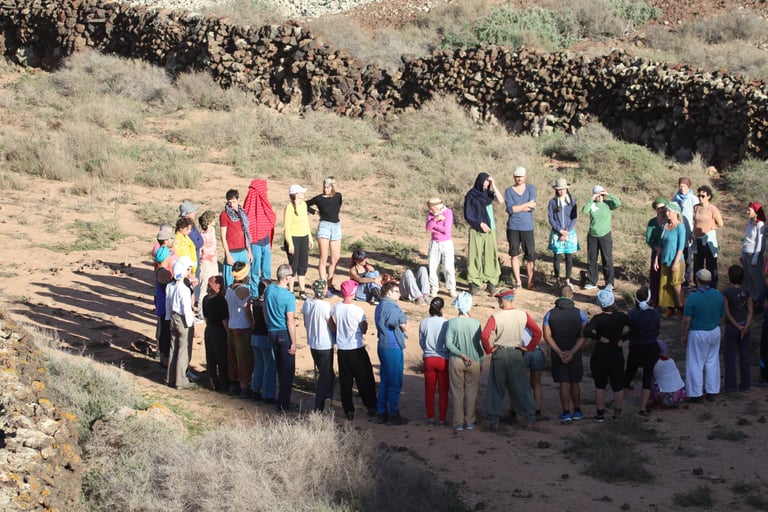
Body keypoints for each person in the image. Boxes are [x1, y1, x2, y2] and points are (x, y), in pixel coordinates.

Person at [482, 287, 542, 430]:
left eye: (499, 299)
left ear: (503, 300)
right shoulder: (523, 314)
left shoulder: (496, 316)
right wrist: (529, 347)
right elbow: (537, 332)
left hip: (500, 354)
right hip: (516, 353)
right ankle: (530, 418)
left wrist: (489, 350)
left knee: (496, 387)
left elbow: (484, 336)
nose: (498, 301)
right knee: (521, 386)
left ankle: (494, 420)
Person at [329, 280, 377, 420]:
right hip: (356, 348)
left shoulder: (336, 307)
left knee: (346, 381)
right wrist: (363, 329)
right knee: (364, 379)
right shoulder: (357, 310)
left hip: (342, 349)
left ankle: (348, 409)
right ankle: (371, 406)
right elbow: (364, 328)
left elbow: (330, 321)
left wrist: (336, 330)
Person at [542, 285, 588, 423]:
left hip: (558, 354)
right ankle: (577, 411)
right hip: (575, 353)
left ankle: (566, 412)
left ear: (558, 295)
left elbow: (547, 336)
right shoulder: (580, 314)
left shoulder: (550, 314)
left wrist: (559, 352)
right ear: (571, 296)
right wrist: (572, 352)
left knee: (563, 382)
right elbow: (583, 336)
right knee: (574, 382)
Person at [584, 289, 629, 422]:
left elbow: (586, 331)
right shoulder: (621, 316)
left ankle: (600, 414)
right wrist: (623, 338)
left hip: (600, 354)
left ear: (600, 304)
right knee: (618, 386)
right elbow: (635, 327)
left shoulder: (598, 319)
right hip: (616, 354)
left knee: (600, 386)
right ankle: (618, 414)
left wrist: (598, 338)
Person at [681, 268, 725, 402]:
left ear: (697, 280)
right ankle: (712, 391)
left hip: (698, 332)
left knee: (695, 362)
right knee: (712, 361)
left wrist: (683, 334)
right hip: (714, 330)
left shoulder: (693, 298)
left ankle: (696, 393)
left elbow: (686, 320)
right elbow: (722, 316)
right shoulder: (718, 295)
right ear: (710, 280)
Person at [444, 292, 483, 432]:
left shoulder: (452, 323)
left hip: (456, 360)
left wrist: (461, 354)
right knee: (471, 392)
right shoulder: (476, 323)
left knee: (457, 392)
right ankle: (470, 421)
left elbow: (448, 343)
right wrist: (481, 360)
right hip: (474, 360)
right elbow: (479, 344)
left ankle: (458, 422)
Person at [264, 264, 299, 412]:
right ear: (286, 277)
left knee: (279, 368)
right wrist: (294, 343)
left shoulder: (269, 290)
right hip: (283, 333)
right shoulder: (288, 296)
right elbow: (290, 320)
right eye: (291, 275)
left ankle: (281, 400)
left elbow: (265, 310)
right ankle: (283, 404)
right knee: (287, 372)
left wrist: (269, 326)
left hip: (272, 331)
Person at [374, 281, 409, 425]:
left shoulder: (380, 305)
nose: (399, 294)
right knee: (395, 382)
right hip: (392, 346)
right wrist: (404, 322)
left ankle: (381, 412)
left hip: (383, 345)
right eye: (396, 291)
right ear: (389, 292)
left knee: (385, 381)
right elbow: (400, 323)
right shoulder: (391, 306)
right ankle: (393, 414)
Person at [464, 172, 504, 296]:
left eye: (488, 183)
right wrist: (480, 223)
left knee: (491, 255)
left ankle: (491, 282)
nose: (486, 185)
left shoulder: (489, 195)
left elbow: (501, 201)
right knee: (474, 256)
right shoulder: (471, 195)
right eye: (485, 182)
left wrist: (494, 185)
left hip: (490, 229)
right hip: (476, 229)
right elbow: (468, 214)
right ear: (479, 181)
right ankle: (474, 283)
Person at [623, 286, 660, 416]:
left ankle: (618, 404)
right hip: (651, 346)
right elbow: (657, 330)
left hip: (636, 347)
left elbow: (630, 331)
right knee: (647, 377)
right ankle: (643, 408)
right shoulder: (655, 313)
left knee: (629, 375)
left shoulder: (632, 314)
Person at [302, 279, 335, 412]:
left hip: (313, 343)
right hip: (325, 344)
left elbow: (305, 323)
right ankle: (320, 405)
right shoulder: (325, 305)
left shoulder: (307, 303)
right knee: (325, 376)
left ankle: (327, 399)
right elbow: (332, 325)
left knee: (326, 373)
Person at [307, 177, 343, 296]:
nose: (325, 189)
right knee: (323, 258)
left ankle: (330, 284)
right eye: (324, 186)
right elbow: (306, 204)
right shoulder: (319, 198)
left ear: (332, 187)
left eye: (328, 187)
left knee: (335, 258)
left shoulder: (338, 196)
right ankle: (323, 286)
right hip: (324, 226)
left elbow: (337, 207)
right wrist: (315, 212)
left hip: (336, 226)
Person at [582, 185, 621, 290]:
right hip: (592, 235)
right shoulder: (592, 204)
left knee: (607, 259)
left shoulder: (608, 204)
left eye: (601, 194)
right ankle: (591, 281)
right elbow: (584, 211)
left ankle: (609, 283)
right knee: (592, 259)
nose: (599, 196)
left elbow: (618, 203)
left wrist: (608, 194)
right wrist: (592, 199)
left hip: (605, 235)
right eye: (597, 194)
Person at [242, 178, 277, 299]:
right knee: (255, 269)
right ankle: (255, 293)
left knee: (266, 269)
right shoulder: (250, 204)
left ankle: (266, 290)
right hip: (255, 242)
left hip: (264, 241)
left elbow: (271, 218)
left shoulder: (264, 205)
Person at [505, 166, 537, 289]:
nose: (519, 179)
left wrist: (517, 207)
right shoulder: (509, 190)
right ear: (514, 177)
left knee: (530, 256)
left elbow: (532, 207)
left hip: (527, 226)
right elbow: (510, 209)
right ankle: (518, 282)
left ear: (525, 177)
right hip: (513, 226)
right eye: (517, 177)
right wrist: (525, 205)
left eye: (521, 176)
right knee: (514, 254)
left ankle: (530, 282)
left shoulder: (530, 188)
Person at [165, 256, 195, 390]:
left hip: (172, 317)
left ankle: (170, 378)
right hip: (183, 320)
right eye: (188, 268)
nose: (190, 271)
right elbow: (186, 308)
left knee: (173, 348)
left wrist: (168, 318)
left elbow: (168, 304)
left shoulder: (169, 286)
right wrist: (190, 323)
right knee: (183, 351)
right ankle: (181, 381)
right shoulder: (184, 289)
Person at [225, 261, 254, 397]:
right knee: (244, 358)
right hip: (243, 327)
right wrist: (253, 325)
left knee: (232, 356)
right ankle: (244, 386)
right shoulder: (243, 290)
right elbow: (247, 311)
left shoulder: (229, 289)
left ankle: (234, 383)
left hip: (232, 326)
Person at [722, 265, 753, 393]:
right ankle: (745, 385)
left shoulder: (726, 292)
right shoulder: (747, 291)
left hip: (732, 327)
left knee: (730, 357)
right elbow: (750, 310)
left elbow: (727, 313)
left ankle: (731, 386)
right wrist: (745, 326)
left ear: (730, 277)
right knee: (745, 356)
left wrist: (737, 326)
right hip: (744, 327)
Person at [419, 297, 449, 427]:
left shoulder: (424, 322)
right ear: (442, 308)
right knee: (443, 391)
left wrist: (427, 350)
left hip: (429, 358)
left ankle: (430, 418)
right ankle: (442, 419)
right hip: (443, 359)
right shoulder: (446, 323)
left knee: (429, 390)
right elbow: (448, 342)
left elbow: (421, 341)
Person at [655, 202, 687, 319]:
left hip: (676, 261)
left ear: (675, 213)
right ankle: (670, 308)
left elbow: (680, 247)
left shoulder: (680, 227)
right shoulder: (665, 226)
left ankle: (680, 309)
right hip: (665, 260)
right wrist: (656, 259)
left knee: (676, 285)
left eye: (669, 211)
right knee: (666, 285)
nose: (666, 213)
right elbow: (660, 244)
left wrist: (675, 262)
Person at [547, 178, 579, 290]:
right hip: (557, 233)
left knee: (568, 257)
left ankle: (567, 280)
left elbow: (574, 218)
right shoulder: (552, 202)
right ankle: (557, 279)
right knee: (557, 257)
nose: (561, 191)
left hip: (569, 232)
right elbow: (551, 218)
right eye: (559, 189)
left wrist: (567, 232)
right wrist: (560, 231)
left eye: (563, 189)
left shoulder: (572, 202)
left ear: (566, 189)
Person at [283, 184, 313, 299]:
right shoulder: (289, 207)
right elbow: (287, 227)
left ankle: (302, 291)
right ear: (296, 195)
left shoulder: (304, 205)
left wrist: (310, 238)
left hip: (303, 237)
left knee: (303, 265)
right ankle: (291, 291)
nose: (303, 194)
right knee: (293, 266)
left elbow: (306, 223)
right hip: (293, 238)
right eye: (301, 192)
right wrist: (290, 243)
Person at [153, 224, 176, 369]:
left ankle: (162, 358)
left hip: (161, 303)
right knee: (167, 333)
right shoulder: (165, 273)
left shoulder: (159, 270)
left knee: (163, 332)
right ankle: (166, 360)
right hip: (166, 305)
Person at [692, 185, 724, 289]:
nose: (700, 198)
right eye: (699, 195)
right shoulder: (696, 207)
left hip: (708, 239)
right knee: (698, 264)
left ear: (709, 196)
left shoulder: (712, 209)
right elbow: (694, 221)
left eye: (703, 196)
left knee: (711, 264)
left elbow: (720, 223)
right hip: (697, 239)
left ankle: (713, 286)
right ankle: (698, 285)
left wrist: (711, 228)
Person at [250, 280, 276, 404]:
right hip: (265, 337)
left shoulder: (255, 303)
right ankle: (268, 394)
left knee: (259, 365)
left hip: (255, 335)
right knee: (269, 367)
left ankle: (255, 390)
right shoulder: (266, 304)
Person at [220, 189, 252, 287]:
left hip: (243, 251)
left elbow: (246, 233)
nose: (231, 205)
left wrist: (249, 251)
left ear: (238, 200)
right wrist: (228, 254)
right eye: (229, 202)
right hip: (232, 252)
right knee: (230, 281)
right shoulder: (224, 215)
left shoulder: (242, 213)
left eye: (233, 202)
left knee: (245, 279)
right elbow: (223, 236)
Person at [425, 197, 457, 298]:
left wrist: (434, 225)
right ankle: (434, 288)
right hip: (434, 242)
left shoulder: (448, 212)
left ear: (437, 207)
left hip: (446, 242)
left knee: (448, 267)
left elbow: (446, 230)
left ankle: (451, 288)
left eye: (432, 208)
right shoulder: (431, 215)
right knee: (433, 266)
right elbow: (428, 228)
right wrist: (436, 219)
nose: (431, 210)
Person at [202, 275, 229, 392]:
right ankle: (224, 384)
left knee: (211, 358)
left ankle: (212, 383)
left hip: (209, 330)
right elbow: (224, 320)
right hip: (219, 331)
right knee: (222, 359)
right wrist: (229, 333)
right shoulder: (220, 300)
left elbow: (206, 317)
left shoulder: (205, 299)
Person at [672, 177, 698, 287]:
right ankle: (678, 278)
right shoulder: (675, 198)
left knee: (687, 257)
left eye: (684, 186)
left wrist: (693, 233)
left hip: (688, 231)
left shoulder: (693, 199)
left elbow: (696, 217)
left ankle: (687, 281)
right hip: (677, 230)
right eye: (680, 186)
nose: (682, 188)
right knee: (678, 254)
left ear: (688, 186)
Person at [179, 200, 204, 310]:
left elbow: (199, 240)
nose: (195, 213)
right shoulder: (187, 227)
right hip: (191, 258)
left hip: (194, 256)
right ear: (188, 213)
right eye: (193, 211)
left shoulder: (190, 225)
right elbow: (198, 242)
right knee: (193, 280)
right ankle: (193, 304)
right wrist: (200, 242)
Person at [649, 340, 687, 408]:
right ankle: (674, 400)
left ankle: (659, 401)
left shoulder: (654, 363)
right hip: (681, 395)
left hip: (667, 399)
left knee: (649, 384)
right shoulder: (671, 361)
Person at [741, 202, 766, 303]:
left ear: (756, 212)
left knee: (756, 279)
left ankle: (758, 301)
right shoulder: (750, 222)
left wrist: (755, 257)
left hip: (753, 255)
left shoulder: (761, 225)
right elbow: (746, 238)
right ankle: (749, 300)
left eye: (749, 210)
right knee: (747, 278)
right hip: (746, 253)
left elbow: (760, 242)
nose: (747, 212)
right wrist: (742, 252)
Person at [645, 198, 668, 307]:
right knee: (655, 277)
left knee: (666, 277)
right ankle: (654, 300)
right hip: (656, 252)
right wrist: (655, 248)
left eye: (663, 207)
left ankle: (666, 302)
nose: (661, 210)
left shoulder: (669, 220)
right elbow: (648, 239)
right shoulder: (652, 222)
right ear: (655, 210)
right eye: (659, 208)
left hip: (668, 252)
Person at [197, 210, 219, 317]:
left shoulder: (213, 231)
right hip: (205, 262)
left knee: (214, 284)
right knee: (204, 287)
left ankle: (212, 308)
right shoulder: (201, 235)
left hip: (214, 261)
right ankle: (201, 311)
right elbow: (199, 250)